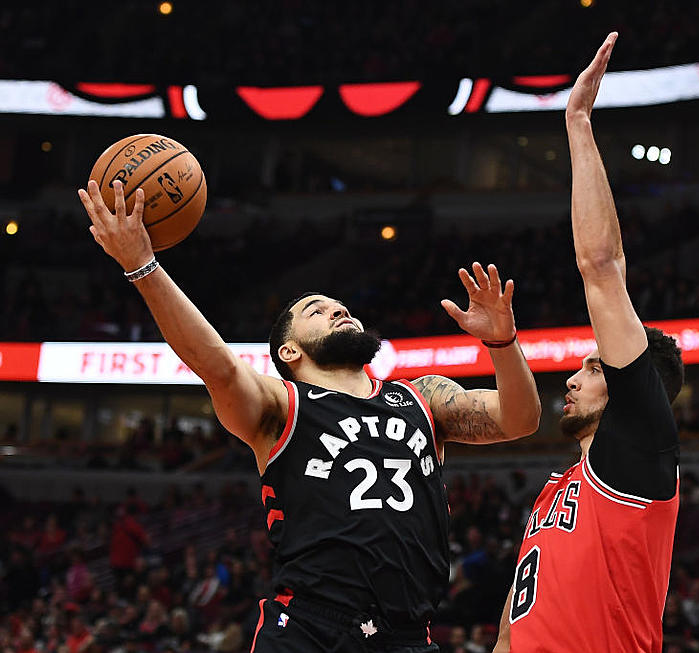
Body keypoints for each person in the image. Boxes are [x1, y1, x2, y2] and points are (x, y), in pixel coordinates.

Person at [77, 181, 541, 652]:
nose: (339, 309)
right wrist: (143, 266)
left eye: (341, 307)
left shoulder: (422, 396)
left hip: (408, 636)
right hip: (310, 629)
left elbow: (520, 420)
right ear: (289, 350)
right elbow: (215, 364)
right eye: (316, 311)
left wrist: (502, 344)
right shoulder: (280, 407)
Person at [492, 32, 684, 652]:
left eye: (594, 367)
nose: (571, 379)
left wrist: (577, 123)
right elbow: (514, 625)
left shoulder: (640, 448)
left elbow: (601, 266)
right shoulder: (558, 488)